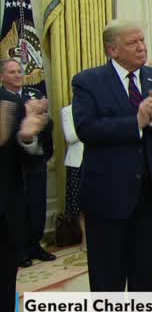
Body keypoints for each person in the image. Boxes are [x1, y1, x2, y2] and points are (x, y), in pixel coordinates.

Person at [72, 19, 152, 312]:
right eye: (133, 43)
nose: (142, 47)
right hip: (107, 196)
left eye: (143, 41)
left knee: (146, 273)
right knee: (108, 277)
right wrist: (136, 120)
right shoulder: (88, 81)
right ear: (112, 49)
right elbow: (86, 128)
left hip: (148, 194)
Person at [0, 84, 49, 312]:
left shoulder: (10, 102)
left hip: (6, 218)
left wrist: (27, 138)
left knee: (4, 291)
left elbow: (28, 163)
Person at [0, 58, 55, 268]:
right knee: (18, 209)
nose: (17, 75)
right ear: (2, 76)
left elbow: (47, 126)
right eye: (12, 72)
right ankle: (20, 250)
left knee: (37, 207)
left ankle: (35, 245)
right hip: (12, 170)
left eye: (19, 71)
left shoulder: (35, 96)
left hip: (35, 162)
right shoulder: (4, 100)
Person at [61, 104, 86, 250]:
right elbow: (70, 136)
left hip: (99, 160)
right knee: (79, 205)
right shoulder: (67, 110)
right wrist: (90, 127)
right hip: (77, 162)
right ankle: (85, 237)